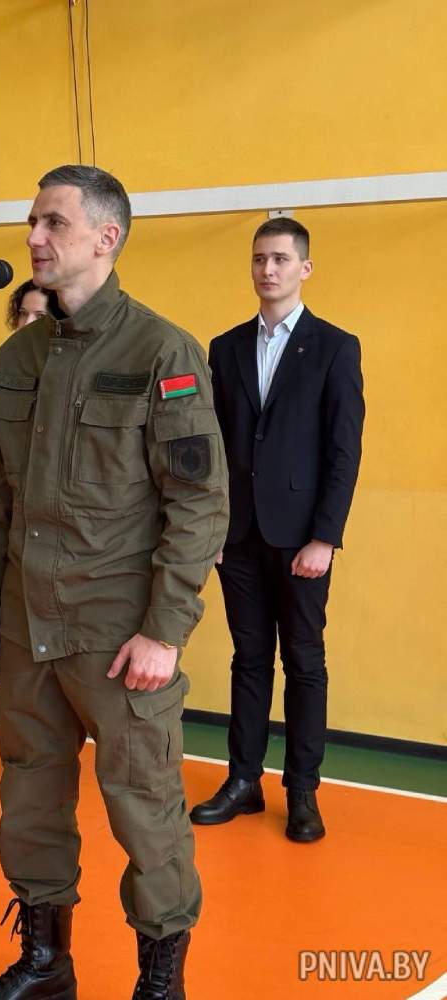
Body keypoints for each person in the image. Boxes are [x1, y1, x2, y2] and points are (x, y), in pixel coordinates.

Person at [0, 165, 228, 1000]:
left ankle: (160, 980)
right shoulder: (18, 355)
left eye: (54, 223)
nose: (34, 237)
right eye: (32, 222)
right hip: (25, 621)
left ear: (106, 238)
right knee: (29, 797)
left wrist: (165, 630)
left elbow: (198, 503)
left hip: (118, 631)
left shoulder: (161, 351)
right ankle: (47, 963)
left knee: (144, 806)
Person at [190, 217, 364, 843]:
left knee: (305, 662)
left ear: (304, 268)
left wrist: (325, 537)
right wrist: (213, 527)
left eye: (281, 259)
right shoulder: (226, 346)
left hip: (301, 540)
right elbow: (215, 447)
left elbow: (344, 450)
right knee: (249, 660)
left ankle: (303, 790)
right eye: (260, 258)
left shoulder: (335, 346)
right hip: (238, 536)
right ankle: (243, 781)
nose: (268, 269)